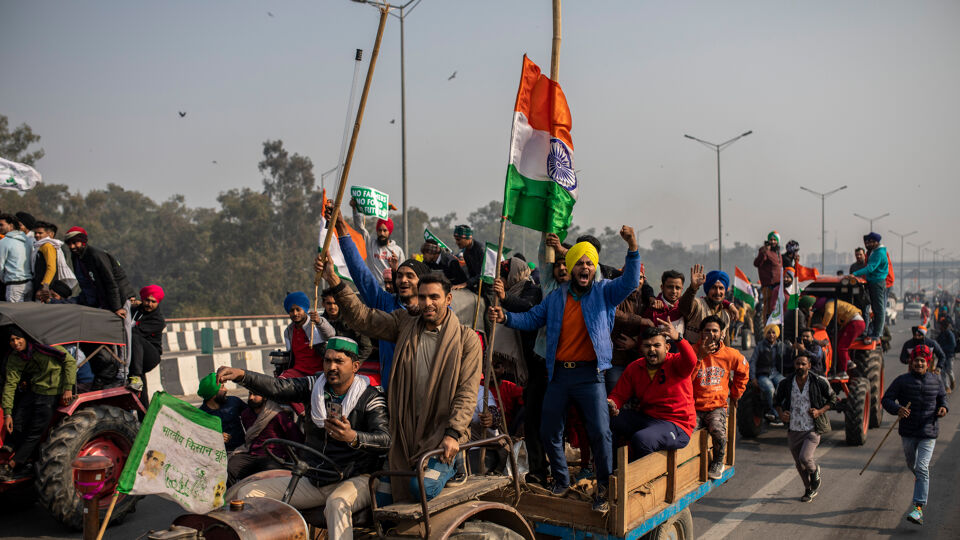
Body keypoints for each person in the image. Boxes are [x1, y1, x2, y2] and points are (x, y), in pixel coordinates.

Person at [489, 226, 641, 511]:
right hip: (559, 375)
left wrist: (632, 245)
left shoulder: (605, 293)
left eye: (589, 263)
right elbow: (532, 319)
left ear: (594, 269)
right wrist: (506, 317)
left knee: (599, 431)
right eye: (579, 263)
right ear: (570, 268)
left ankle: (604, 489)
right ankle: (560, 480)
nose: (585, 267)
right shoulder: (556, 297)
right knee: (549, 430)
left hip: (590, 376)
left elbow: (630, 281)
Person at [320, 259, 481, 504]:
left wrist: (453, 433)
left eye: (434, 297)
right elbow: (364, 318)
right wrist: (334, 280)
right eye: (423, 297)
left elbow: (467, 392)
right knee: (382, 498)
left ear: (448, 299)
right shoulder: (405, 323)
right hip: (405, 434)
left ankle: (453, 467)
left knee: (421, 488)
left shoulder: (466, 340)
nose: (428, 303)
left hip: (442, 436)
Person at [220, 336, 389, 539]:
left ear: (354, 366)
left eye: (339, 361)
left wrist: (352, 437)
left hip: (357, 479)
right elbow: (278, 387)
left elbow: (384, 439)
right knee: (247, 493)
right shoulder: (314, 386)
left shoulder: (370, 397)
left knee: (337, 504)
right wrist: (242, 376)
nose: (332, 367)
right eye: (328, 360)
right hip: (315, 478)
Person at [316, 204, 429, 390]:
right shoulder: (386, 303)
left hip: (422, 394)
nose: (403, 280)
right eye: (399, 275)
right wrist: (342, 228)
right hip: (392, 391)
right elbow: (361, 274)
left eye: (410, 276)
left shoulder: (434, 314)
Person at [881, 345, 949, 526]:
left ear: (928, 363)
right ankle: (920, 477)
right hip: (908, 432)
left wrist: (943, 408)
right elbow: (886, 399)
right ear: (911, 363)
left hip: (929, 431)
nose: (919, 363)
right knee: (912, 464)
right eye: (916, 360)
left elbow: (943, 399)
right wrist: (898, 410)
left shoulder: (936, 380)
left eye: (922, 361)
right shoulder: (902, 381)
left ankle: (918, 508)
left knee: (921, 466)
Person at [607, 324, 696, 460]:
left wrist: (678, 338)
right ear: (641, 348)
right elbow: (619, 395)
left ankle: (645, 480)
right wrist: (612, 404)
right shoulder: (635, 367)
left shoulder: (677, 363)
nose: (652, 349)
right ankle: (611, 471)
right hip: (648, 419)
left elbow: (691, 360)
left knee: (642, 439)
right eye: (647, 346)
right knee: (606, 422)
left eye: (656, 345)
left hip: (676, 424)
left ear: (667, 348)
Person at [0, 328, 76, 479]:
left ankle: (13, 464)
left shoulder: (46, 347)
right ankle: (10, 448)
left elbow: (71, 362)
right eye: (12, 340)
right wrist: (7, 413)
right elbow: (10, 384)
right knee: (18, 420)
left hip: (52, 392)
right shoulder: (16, 357)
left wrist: (68, 388)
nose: (15, 343)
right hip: (35, 390)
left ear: (25, 338)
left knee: (35, 431)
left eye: (18, 339)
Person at [773, 352, 837, 502]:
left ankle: (815, 471)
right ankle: (809, 489)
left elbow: (833, 399)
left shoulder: (818, 381)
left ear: (809, 365)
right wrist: (781, 414)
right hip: (794, 429)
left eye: (803, 364)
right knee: (799, 465)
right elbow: (776, 400)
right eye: (797, 364)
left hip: (812, 429)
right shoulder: (786, 382)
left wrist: (819, 411)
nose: (800, 366)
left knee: (805, 458)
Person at [691, 316, 749, 479]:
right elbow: (685, 379)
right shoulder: (692, 352)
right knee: (687, 436)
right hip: (693, 407)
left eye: (715, 330)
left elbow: (743, 370)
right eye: (707, 330)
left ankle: (718, 461)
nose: (711, 334)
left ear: (721, 334)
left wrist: (736, 394)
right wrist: (700, 357)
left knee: (718, 432)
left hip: (716, 407)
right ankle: (689, 467)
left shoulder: (730, 354)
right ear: (701, 333)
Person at [226, 391, 303, 486]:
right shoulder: (246, 414)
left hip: (273, 455)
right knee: (230, 467)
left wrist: (301, 461)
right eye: (250, 394)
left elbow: (296, 437)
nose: (251, 397)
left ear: (265, 397)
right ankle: (234, 498)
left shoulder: (277, 414)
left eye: (255, 394)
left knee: (268, 472)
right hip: (251, 453)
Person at [64, 227, 135, 318]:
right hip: (99, 300)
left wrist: (117, 308)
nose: (72, 247)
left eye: (74, 243)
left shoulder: (96, 255)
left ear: (83, 242)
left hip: (119, 299)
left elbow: (110, 282)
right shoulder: (76, 257)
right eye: (69, 244)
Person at [804, 295, 864, 378]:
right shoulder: (833, 303)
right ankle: (844, 362)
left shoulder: (830, 304)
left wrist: (823, 325)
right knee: (836, 340)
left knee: (842, 347)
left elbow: (829, 312)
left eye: (821, 311)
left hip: (855, 323)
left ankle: (844, 370)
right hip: (850, 323)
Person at [350, 199, 404, 288]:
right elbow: (360, 228)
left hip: (392, 290)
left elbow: (402, 273)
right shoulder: (371, 244)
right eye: (379, 230)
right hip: (374, 289)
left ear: (389, 232)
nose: (382, 233)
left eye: (385, 230)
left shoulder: (397, 250)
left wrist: (396, 267)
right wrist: (355, 209)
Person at [281, 291, 335, 378]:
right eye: (291, 310)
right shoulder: (288, 331)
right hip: (298, 372)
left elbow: (331, 335)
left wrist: (319, 321)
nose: (295, 313)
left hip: (319, 374)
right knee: (279, 384)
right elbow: (289, 354)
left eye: (298, 309)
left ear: (304, 309)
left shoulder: (316, 323)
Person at [128, 285, 167, 407]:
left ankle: (137, 375)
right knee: (140, 394)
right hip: (135, 356)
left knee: (134, 336)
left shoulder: (158, 320)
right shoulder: (136, 310)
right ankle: (143, 417)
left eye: (153, 302)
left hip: (150, 355)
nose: (149, 304)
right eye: (147, 300)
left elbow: (134, 332)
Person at [679, 266, 738, 344]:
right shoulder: (698, 305)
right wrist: (693, 288)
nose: (717, 292)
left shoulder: (726, 315)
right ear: (707, 289)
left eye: (721, 288)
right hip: (693, 355)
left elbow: (726, 346)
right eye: (714, 288)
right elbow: (683, 307)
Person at [849, 232, 889, 344]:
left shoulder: (879, 253)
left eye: (870, 242)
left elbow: (871, 268)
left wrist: (855, 274)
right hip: (872, 282)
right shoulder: (873, 252)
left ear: (876, 242)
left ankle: (877, 334)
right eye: (867, 242)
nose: (868, 244)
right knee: (870, 308)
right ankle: (869, 331)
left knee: (879, 309)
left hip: (877, 282)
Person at [320, 288, 374, 364]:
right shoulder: (320, 323)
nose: (332, 307)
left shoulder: (351, 320)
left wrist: (352, 365)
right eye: (329, 303)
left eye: (335, 303)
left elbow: (366, 347)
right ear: (323, 304)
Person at [197, 372, 246, 452]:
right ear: (213, 393)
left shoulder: (234, 401)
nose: (226, 390)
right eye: (222, 387)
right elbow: (198, 439)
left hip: (243, 450)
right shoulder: (201, 415)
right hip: (218, 456)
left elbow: (251, 417)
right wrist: (215, 438)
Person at [750, 324, 787, 425]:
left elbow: (789, 357)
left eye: (773, 332)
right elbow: (753, 362)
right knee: (770, 389)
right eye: (769, 332)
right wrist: (753, 378)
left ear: (777, 334)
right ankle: (775, 414)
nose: (771, 335)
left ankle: (786, 412)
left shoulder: (781, 345)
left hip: (776, 373)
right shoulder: (760, 346)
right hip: (763, 375)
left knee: (784, 385)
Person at [31, 221, 76, 302]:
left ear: (49, 234)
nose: (37, 235)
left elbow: (51, 268)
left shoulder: (47, 246)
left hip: (46, 287)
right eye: (35, 233)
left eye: (40, 233)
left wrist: (43, 287)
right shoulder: (40, 245)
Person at [0, 214, 33, 302]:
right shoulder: (27, 239)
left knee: (13, 314)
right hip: (29, 284)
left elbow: (0, 266)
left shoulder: (4, 242)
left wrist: (4, 280)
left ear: (11, 225)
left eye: (1, 225)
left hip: (14, 286)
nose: (0, 227)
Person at [754, 231, 783, 320]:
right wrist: (765, 251)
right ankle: (767, 327)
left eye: (775, 240)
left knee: (777, 308)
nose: (773, 241)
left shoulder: (778, 253)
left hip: (778, 286)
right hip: (768, 286)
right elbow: (757, 263)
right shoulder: (764, 250)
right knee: (768, 309)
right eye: (771, 239)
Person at [451, 224, 485, 291]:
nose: (456, 242)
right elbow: (471, 274)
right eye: (455, 240)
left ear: (468, 238)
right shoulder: (466, 253)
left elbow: (484, 273)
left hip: (489, 287)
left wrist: (465, 284)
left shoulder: (481, 250)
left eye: (458, 239)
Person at [934, 318, 955, 392]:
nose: (939, 327)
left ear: (944, 326)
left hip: (949, 356)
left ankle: (952, 381)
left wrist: (942, 348)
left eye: (941, 326)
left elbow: (953, 345)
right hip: (942, 357)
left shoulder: (949, 334)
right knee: (942, 372)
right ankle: (947, 387)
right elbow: (937, 343)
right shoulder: (941, 334)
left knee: (949, 370)